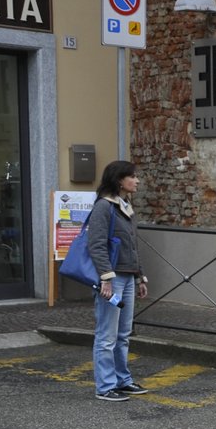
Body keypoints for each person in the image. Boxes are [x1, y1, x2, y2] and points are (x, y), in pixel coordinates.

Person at [87, 160, 149, 402]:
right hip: (112, 280)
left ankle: (122, 381)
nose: (137, 180)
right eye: (132, 176)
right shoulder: (104, 207)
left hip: (128, 276)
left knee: (123, 333)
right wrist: (106, 278)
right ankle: (105, 386)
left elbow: (132, 246)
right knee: (107, 335)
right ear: (119, 180)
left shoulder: (126, 206)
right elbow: (97, 245)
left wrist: (140, 276)